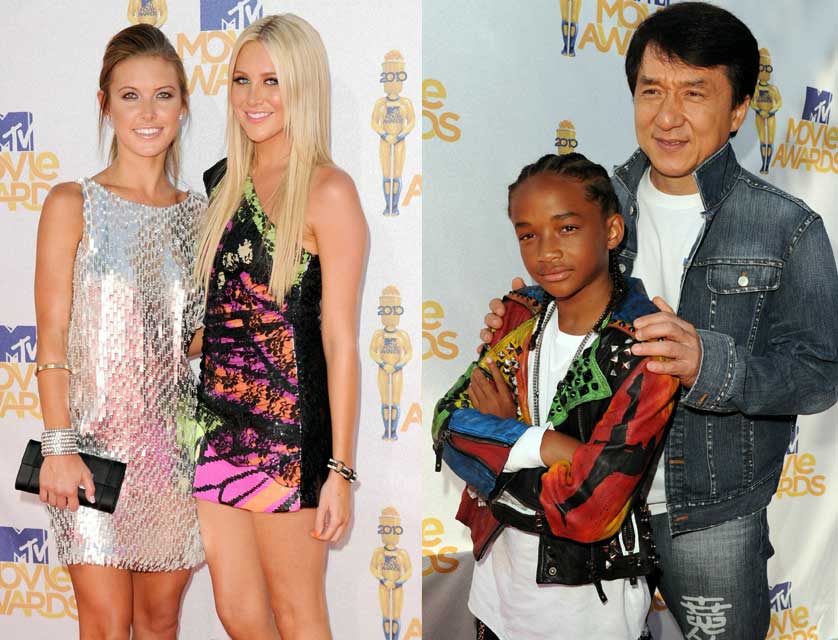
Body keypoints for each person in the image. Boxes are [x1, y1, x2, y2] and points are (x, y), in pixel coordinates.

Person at [481, 4, 838, 637]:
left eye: (694, 93)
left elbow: (818, 374)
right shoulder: (590, 203)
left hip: (710, 516)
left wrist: (709, 364)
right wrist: (521, 334)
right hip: (585, 491)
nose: (667, 116)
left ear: (738, 110)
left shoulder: (788, 228)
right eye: (652, 91)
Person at [433, 153, 679, 639]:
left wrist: (498, 446)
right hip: (496, 596)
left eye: (567, 228)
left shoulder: (646, 345)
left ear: (612, 231)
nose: (546, 251)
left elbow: (590, 507)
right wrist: (545, 445)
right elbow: (447, 424)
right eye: (528, 235)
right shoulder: (519, 316)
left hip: (589, 612)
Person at [191, 14, 367, 640]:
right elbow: (221, 314)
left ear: (304, 87)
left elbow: (340, 341)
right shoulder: (221, 183)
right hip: (216, 425)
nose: (254, 97)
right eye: (242, 80)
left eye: (273, 81)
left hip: (288, 435)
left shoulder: (328, 190)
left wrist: (340, 471)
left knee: (297, 612)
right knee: (236, 612)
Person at [35, 24, 205, 640]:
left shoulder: (201, 215)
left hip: (173, 455)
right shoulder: (72, 203)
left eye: (163, 95)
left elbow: (189, 341)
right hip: (89, 450)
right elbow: (52, 337)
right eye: (130, 96)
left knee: (159, 623)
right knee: (104, 625)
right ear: (104, 104)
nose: (148, 112)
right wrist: (58, 446)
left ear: (183, 105)